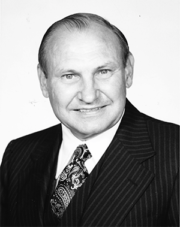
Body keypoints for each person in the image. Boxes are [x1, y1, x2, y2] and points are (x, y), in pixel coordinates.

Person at [0, 13, 179, 227]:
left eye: (103, 71)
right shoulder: (17, 154)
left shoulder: (175, 152)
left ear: (128, 71)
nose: (89, 96)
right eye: (69, 75)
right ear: (44, 81)